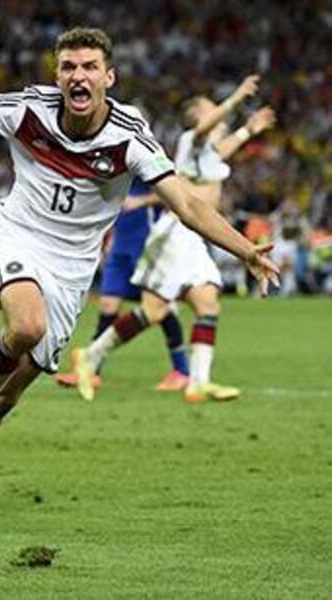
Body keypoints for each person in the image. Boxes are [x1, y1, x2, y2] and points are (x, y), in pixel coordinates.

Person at [0, 26, 279, 530]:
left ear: (109, 76)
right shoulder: (28, 108)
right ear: (58, 75)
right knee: (25, 327)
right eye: (68, 68)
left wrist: (245, 249)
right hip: (15, 236)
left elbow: (187, 201)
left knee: (7, 400)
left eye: (88, 68)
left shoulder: (129, 136)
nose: (78, 76)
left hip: (72, 272)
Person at [71, 75, 277, 403]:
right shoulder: (189, 141)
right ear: (199, 117)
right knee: (153, 310)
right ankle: (91, 356)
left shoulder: (206, 154)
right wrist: (237, 98)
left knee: (207, 302)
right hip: (176, 233)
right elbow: (205, 130)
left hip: (195, 239)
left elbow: (222, 150)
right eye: (210, 110)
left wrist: (249, 130)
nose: (217, 116)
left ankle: (198, 382)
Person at [54, 176, 190, 392]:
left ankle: (182, 370)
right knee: (108, 305)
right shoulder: (113, 162)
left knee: (160, 307)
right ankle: (92, 369)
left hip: (147, 245)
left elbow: (175, 192)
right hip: (121, 247)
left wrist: (140, 201)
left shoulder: (145, 157)